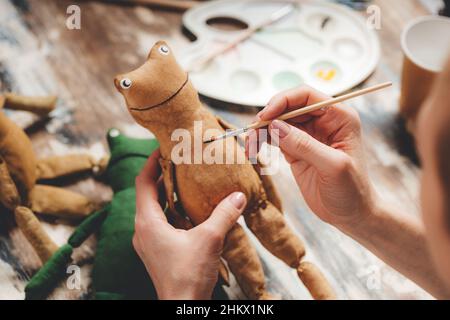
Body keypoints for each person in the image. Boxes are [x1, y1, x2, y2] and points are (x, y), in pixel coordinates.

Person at [132, 58, 450, 300]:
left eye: (421, 145)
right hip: (245, 216)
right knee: (256, 282)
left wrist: (181, 294)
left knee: (293, 258)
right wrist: (363, 213)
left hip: (256, 204)